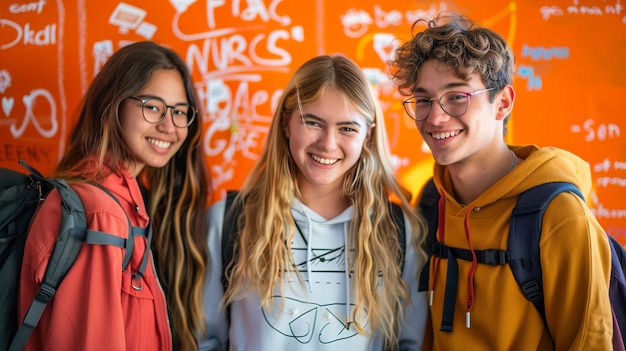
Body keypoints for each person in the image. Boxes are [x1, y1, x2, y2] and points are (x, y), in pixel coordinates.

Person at [389, 12, 613, 350]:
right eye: (423, 100)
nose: (435, 117)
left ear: (503, 103)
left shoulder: (560, 217)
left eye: (457, 97)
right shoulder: (433, 200)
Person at [199, 54, 428, 350]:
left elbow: (411, 343)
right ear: (286, 124)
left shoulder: (398, 231)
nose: (328, 143)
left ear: (368, 137)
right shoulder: (228, 220)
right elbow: (205, 340)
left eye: (347, 128)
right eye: (313, 122)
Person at [18, 41, 210, 351]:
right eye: (152, 106)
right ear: (114, 103)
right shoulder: (101, 214)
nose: (168, 126)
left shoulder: (128, 203)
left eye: (179, 111)